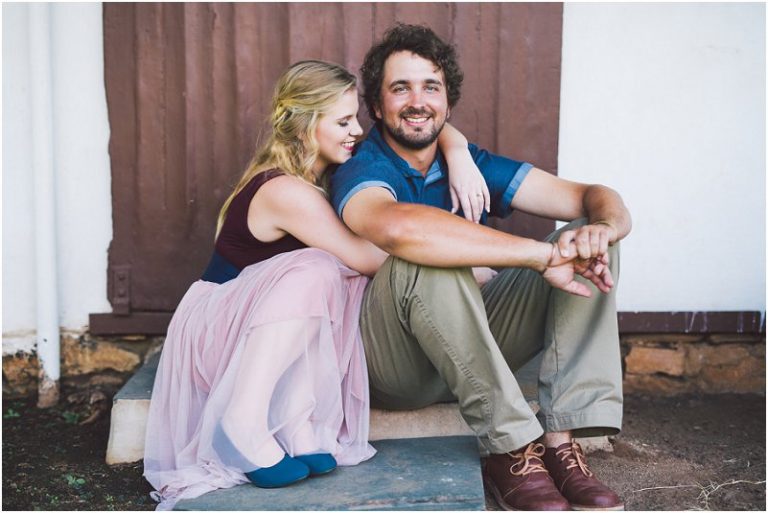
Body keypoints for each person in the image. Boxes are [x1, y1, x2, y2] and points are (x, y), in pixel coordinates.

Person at [142, 60, 489, 510]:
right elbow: (367, 258)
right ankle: (241, 421)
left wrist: (456, 148)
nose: (356, 131)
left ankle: (295, 420)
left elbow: (425, 129)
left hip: (248, 330)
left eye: (355, 119)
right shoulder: (284, 190)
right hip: (216, 333)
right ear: (305, 124)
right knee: (322, 268)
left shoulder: (318, 180)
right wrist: (469, 266)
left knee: (333, 276)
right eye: (343, 122)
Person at [330, 24, 632, 511]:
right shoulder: (362, 167)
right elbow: (400, 229)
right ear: (378, 106)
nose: (417, 101)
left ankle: (561, 442)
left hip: (470, 342)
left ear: (448, 103)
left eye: (431, 87)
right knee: (426, 254)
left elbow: (592, 195)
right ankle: (510, 448)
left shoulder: (469, 163)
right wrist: (538, 255)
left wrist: (606, 227)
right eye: (400, 88)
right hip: (395, 367)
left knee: (588, 242)